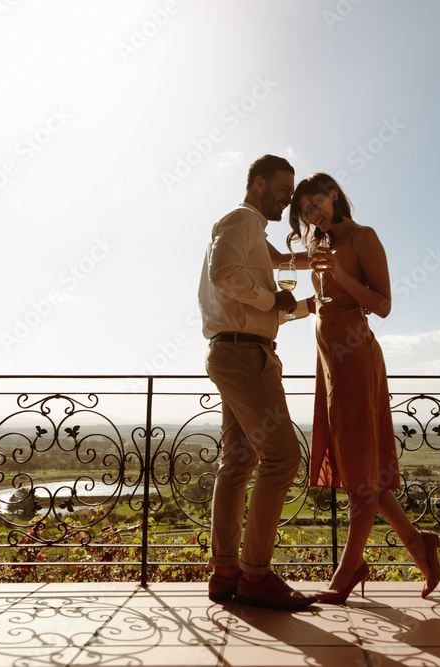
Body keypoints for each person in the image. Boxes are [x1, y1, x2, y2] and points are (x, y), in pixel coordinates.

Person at [288, 172, 440, 603]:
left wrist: (340, 275)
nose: (311, 213)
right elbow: (281, 262)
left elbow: (383, 306)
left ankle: (347, 572)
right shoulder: (317, 245)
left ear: (334, 195)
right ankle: (420, 547)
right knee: (360, 469)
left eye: (316, 203)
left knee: (361, 472)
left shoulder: (363, 237)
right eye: (304, 209)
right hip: (330, 365)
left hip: (357, 359)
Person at [198, 155, 317, 610]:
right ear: (258, 182)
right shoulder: (244, 218)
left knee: (238, 460)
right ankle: (256, 576)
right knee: (283, 457)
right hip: (246, 356)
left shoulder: (249, 232)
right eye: (283, 188)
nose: (286, 198)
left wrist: (308, 306)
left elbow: (262, 304)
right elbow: (224, 275)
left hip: (236, 349)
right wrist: (274, 296)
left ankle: (226, 571)